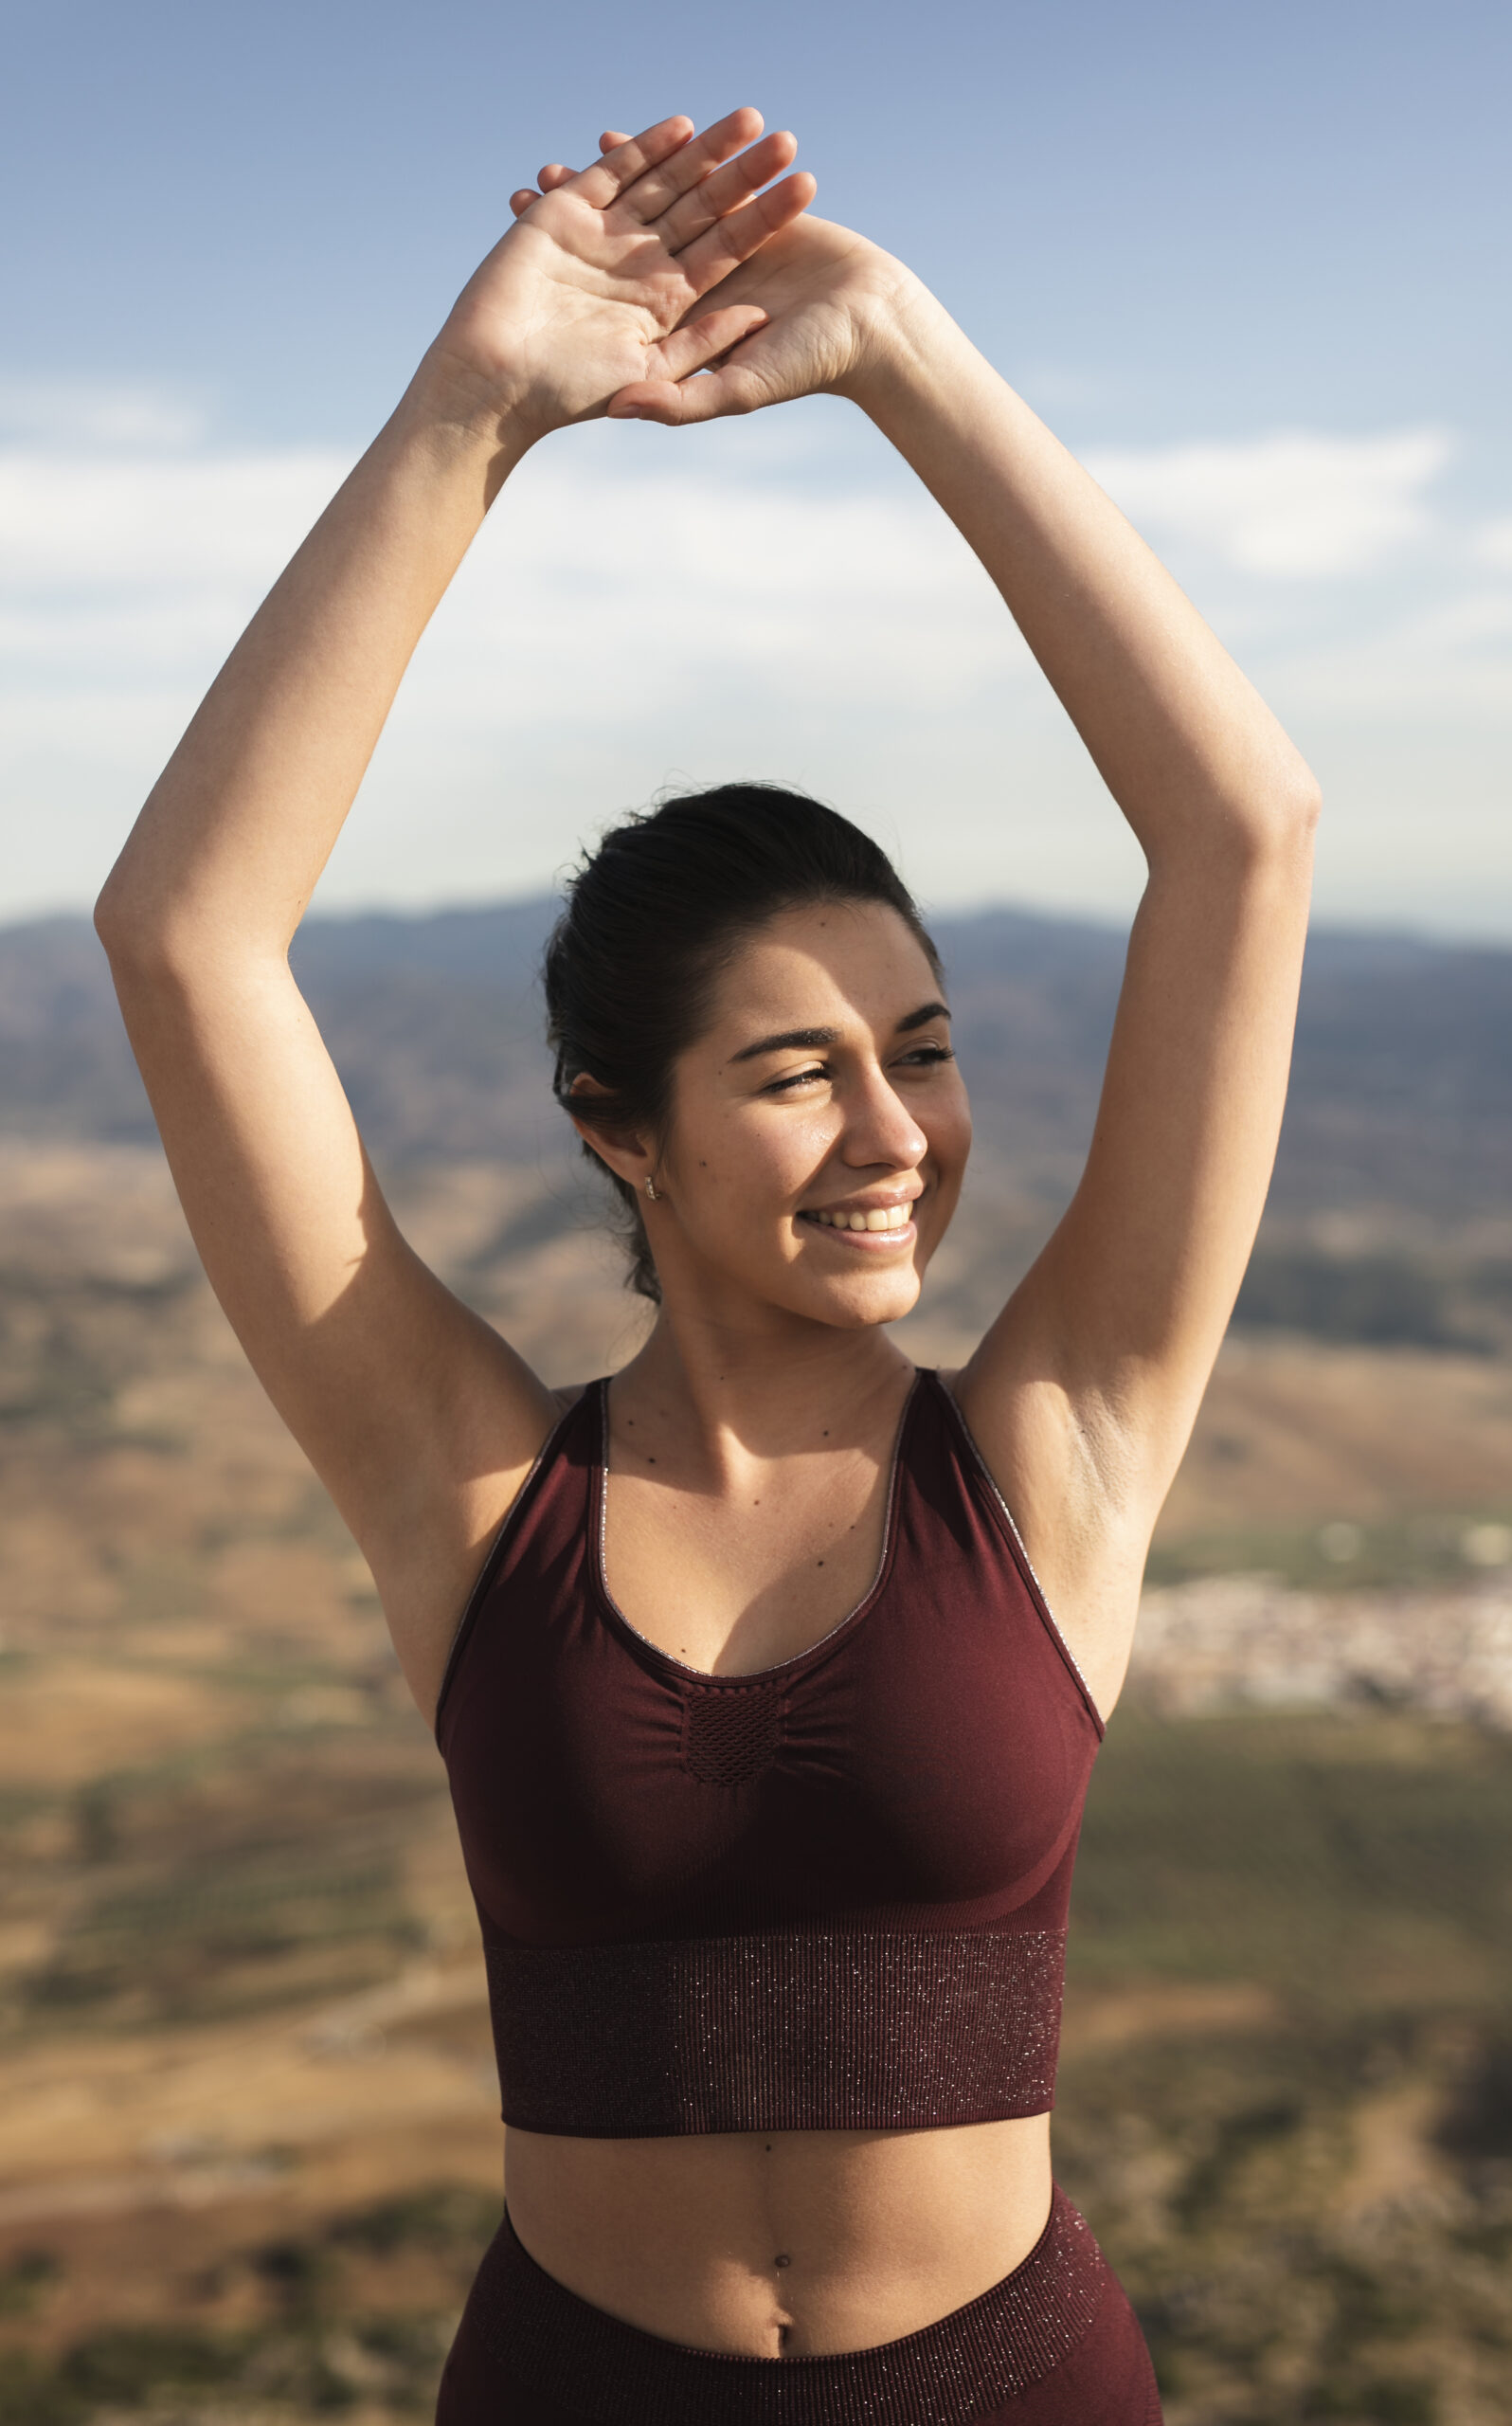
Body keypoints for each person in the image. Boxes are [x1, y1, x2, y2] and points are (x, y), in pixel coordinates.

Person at [96, 107, 1319, 2424]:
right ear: (616, 1129)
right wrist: (471, 410)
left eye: (921, 1051)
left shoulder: (1053, 1451)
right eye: (794, 1073)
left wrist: (906, 356)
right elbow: (186, 934)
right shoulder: (472, 1490)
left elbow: (1242, 833)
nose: (895, 1134)